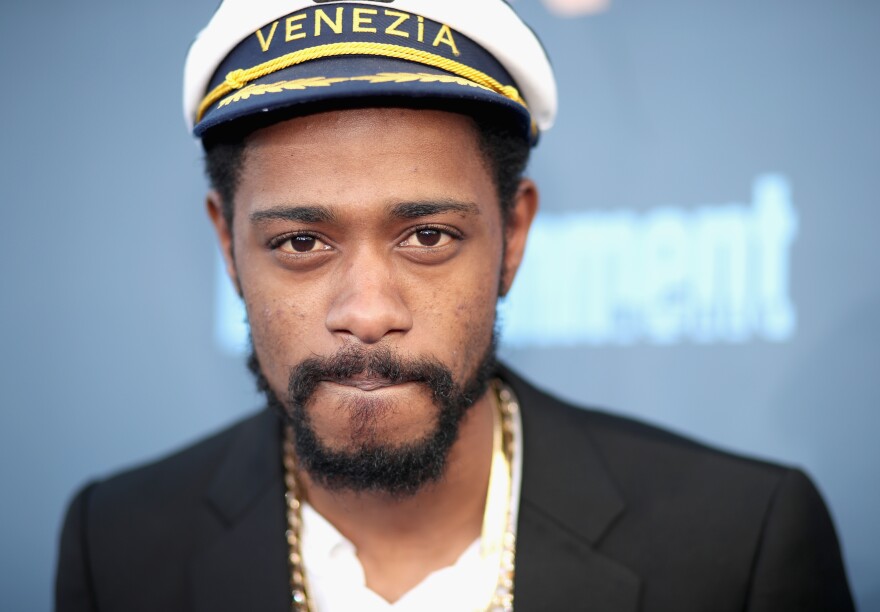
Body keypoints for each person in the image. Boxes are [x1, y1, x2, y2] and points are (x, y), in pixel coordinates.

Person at [55, 1, 855, 610]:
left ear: (513, 236)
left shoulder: (739, 542)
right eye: (302, 244)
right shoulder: (117, 545)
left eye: (427, 236)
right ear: (228, 248)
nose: (367, 312)